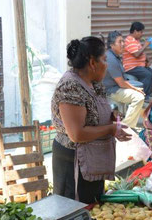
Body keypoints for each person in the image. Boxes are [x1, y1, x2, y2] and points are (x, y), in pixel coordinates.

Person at [51, 36, 131, 204]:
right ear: (93, 63)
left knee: (94, 207)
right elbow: (77, 134)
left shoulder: (94, 83)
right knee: (75, 210)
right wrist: (110, 129)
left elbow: (93, 113)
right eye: (104, 59)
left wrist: (111, 117)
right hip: (73, 161)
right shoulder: (70, 86)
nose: (107, 64)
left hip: (93, 159)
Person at [103, 31, 145, 128]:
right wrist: (135, 89)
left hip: (116, 86)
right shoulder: (111, 59)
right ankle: (126, 127)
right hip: (111, 90)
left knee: (138, 89)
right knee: (139, 97)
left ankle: (126, 124)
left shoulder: (114, 55)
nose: (123, 44)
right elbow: (121, 83)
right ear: (112, 45)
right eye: (120, 42)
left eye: (123, 41)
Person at [122, 21, 152, 100]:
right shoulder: (129, 40)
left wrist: (148, 60)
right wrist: (145, 45)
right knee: (147, 74)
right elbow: (136, 54)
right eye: (141, 32)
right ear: (135, 31)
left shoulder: (136, 40)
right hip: (131, 67)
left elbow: (141, 52)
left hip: (138, 66)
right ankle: (143, 96)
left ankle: (147, 93)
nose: (142, 34)